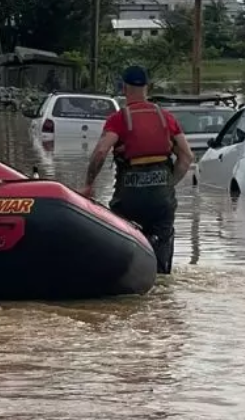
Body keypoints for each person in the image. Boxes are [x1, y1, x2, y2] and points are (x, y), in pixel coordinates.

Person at [80, 65, 194, 274]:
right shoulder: (166, 118)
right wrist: (168, 183)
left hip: (129, 199)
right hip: (162, 200)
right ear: (147, 87)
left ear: (124, 88)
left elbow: (100, 153)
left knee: (122, 248)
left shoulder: (119, 119)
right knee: (162, 262)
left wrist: (89, 184)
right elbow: (187, 157)